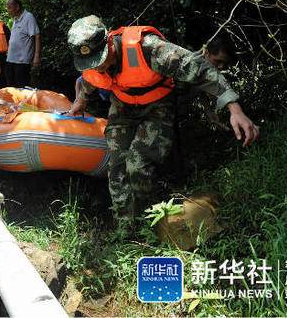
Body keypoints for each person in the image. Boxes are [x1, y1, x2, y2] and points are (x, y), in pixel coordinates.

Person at [68, 16, 259, 233]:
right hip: (123, 106)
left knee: (137, 164)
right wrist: (79, 101)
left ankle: (148, 223)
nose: (98, 66)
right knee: (117, 166)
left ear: (109, 42)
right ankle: (125, 229)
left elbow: (201, 69)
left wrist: (234, 109)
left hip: (157, 106)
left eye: (100, 59)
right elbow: (89, 81)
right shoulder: (92, 63)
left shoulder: (149, 49)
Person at [5, 0, 41, 88]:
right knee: (12, 88)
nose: (8, 10)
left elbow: (37, 36)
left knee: (22, 88)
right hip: (11, 59)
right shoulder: (16, 19)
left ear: (17, 7)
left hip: (22, 61)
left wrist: (36, 57)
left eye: (9, 8)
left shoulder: (28, 17)